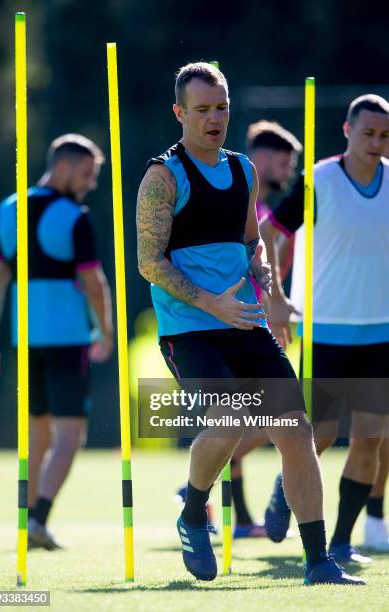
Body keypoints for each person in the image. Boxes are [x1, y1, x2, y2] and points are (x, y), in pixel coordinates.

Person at [136, 61, 362, 585]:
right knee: (230, 420)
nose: (214, 118)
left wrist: (275, 293)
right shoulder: (162, 177)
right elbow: (149, 261)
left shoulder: (243, 170)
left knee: (297, 433)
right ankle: (195, 510)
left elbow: (251, 241)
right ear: (179, 113)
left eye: (222, 107)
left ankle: (318, 561)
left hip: (246, 322)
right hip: (189, 330)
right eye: (202, 110)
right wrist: (211, 303)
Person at [260, 94, 389, 561]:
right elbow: (271, 233)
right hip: (326, 331)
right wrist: (275, 298)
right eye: (368, 132)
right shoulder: (319, 180)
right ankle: (283, 486)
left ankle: (340, 543)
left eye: (384, 135)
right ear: (347, 131)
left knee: (370, 440)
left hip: (379, 333)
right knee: (319, 436)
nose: (375, 143)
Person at [0, 134, 114, 549]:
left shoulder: (8, 208)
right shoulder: (74, 216)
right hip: (67, 338)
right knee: (71, 436)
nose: (91, 183)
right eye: (88, 174)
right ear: (66, 167)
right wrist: (106, 329)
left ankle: (28, 522)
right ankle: (38, 518)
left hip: (24, 339)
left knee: (37, 436)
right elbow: (94, 284)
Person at [231, 121, 302, 539]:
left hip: (256, 326)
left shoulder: (263, 210)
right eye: (283, 161)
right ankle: (199, 483)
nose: (289, 171)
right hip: (243, 327)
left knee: (255, 418)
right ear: (260, 159)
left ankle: (237, 518)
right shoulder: (249, 210)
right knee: (262, 419)